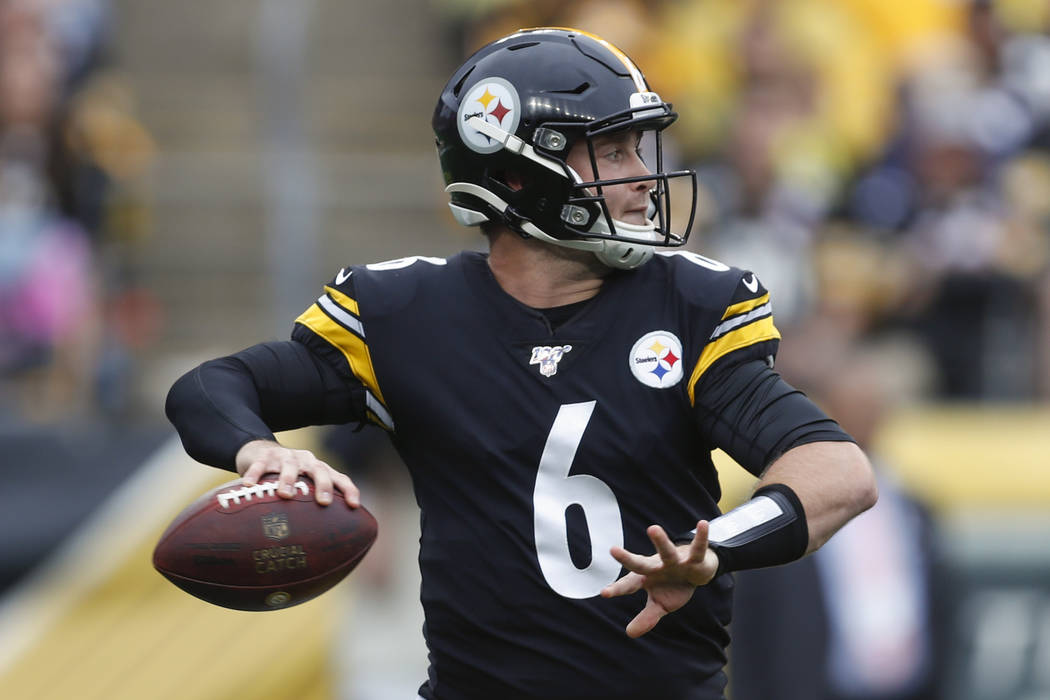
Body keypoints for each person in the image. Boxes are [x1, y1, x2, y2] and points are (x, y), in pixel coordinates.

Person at [166, 28, 877, 700]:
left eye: (640, 149)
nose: (643, 177)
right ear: (515, 172)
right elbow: (209, 387)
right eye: (616, 151)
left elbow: (837, 472)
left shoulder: (689, 307)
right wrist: (263, 453)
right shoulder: (407, 314)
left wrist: (713, 548)